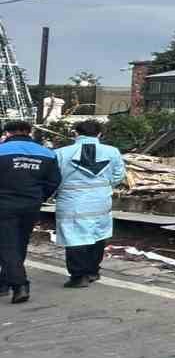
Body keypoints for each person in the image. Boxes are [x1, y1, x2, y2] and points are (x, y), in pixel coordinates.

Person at [51, 119, 126, 288]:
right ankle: (93, 271)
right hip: (101, 200)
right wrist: (103, 185)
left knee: (74, 237)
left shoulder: (61, 153)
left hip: (71, 201)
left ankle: (78, 276)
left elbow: (53, 178)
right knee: (98, 234)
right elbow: (118, 175)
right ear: (99, 134)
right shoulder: (112, 152)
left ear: (76, 133)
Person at [0, 119, 61, 303]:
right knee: (20, 242)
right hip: (31, 204)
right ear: (29, 132)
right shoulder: (47, 153)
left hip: (4, 204)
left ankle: (20, 285)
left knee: (6, 244)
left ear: (7, 133)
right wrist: (40, 197)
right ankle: (4, 282)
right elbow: (54, 181)